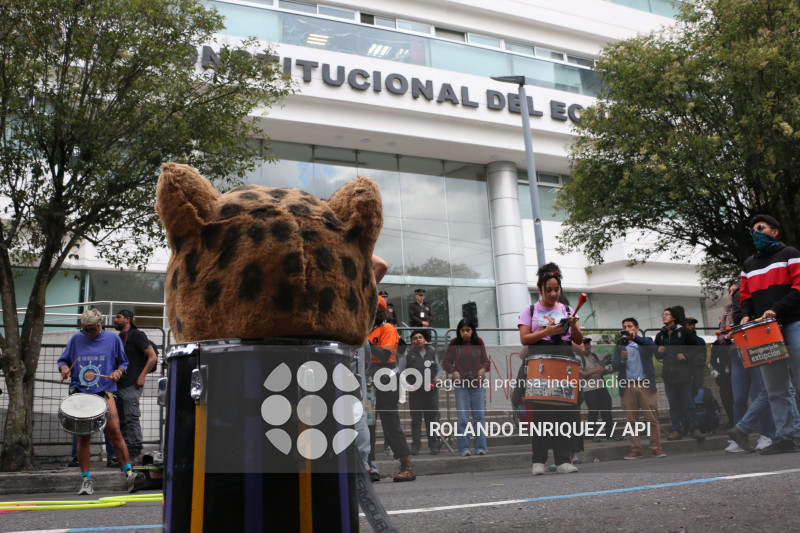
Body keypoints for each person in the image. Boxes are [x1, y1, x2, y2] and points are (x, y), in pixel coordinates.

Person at [729, 214, 800, 454]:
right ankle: (785, 437)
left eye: (760, 228)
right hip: (764, 331)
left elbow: (799, 287)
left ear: (775, 231)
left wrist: (777, 309)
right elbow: (745, 296)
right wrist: (745, 316)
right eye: (753, 230)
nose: (756, 233)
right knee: (775, 387)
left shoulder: (791, 253)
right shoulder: (748, 264)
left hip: (793, 323)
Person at [57, 309, 145, 495]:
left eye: (92, 330)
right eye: (85, 330)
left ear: (100, 325)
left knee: (115, 432)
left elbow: (123, 363)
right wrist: (64, 369)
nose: (88, 333)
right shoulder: (76, 339)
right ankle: (86, 480)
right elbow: (63, 361)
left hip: (104, 392)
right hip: (80, 393)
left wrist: (118, 372)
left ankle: (129, 474)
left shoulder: (112, 339)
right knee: (83, 437)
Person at [517, 262, 583, 474]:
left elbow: (579, 340)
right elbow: (524, 338)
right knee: (542, 414)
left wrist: (572, 326)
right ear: (540, 289)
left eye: (556, 289)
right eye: (549, 290)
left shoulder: (567, 309)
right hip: (539, 362)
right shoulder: (530, 310)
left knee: (564, 413)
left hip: (563, 361)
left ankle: (563, 460)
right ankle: (538, 461)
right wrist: (547, 331)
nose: (553, 294)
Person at [367, 296, 416, 481]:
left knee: (390, 422)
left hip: (386, 377)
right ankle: (370, 467)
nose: (375, 312)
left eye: (379, 309)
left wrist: (366, 342)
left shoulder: (388, 328)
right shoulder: (369, 330)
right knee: (368, 423)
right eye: (372, 308)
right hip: (369, 379)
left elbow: (384, 354)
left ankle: (407, 465)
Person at [613, 318, 666, 459]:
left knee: (652, 418)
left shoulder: (644, 341)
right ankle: (635, 449)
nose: (627, 329)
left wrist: (635, 338)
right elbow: (615, 366)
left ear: (637, 328)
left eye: (630, 326)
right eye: (624, 327)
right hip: (628, 386)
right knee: (631, 420)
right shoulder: (619, 345)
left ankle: (656, 447)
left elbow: (655, 349)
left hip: (645, 385)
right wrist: (622, 359)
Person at [113, 309, 158, 464]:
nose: (114, 320)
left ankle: (135, 453)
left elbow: (152, 357)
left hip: (132, 384)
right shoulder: (121, 337)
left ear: (128, 319)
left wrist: (142, 375)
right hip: (120, 385)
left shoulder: (136, 335)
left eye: (118, 317)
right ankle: (126, 455)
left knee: (131, 418)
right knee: (122, 420)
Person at [655, 307, 705, 441]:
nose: (664, 317)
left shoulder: (683, 332)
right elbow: (656, 354)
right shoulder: (660, 334)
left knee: (688, 403)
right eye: (663, 314)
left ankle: (695, 429)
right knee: (673, 405)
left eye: (667, 314)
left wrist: (686, 356)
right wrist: (658, 351)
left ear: (674, 317)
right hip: (669, 376)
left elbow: (696, 349)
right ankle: (676, 430)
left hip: (684, 374)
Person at [443, 316, 490, 457]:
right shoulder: (454, 343)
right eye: (462, 330)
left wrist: (483, 369)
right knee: (463, 418)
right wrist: (453, 371)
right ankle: (464, 448)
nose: (465, 333)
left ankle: (481, 447)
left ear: (472, 330)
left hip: (477, 384)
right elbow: (446, 362)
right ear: (459, 331)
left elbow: (486, 362)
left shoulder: (479, 342)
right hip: (461, 385)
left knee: (479, 417)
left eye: (468, 330)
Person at [399, 330, 442, 455]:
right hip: (415, 393)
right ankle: (415, 446)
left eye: (420, 337)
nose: (418, 339)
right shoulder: (407, 355)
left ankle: (433, 445)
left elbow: (439, 369)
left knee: (431, 420)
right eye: (415, 338)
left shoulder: (432, 353)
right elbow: (401, 373)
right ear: (411, 342)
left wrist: (437, 379)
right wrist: (408, 386)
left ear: (425, 340)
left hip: (431, 392)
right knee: (416, 421)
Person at [710, 283, 738, 431]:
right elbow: (712, 362)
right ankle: (733, 421)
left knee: (740, 397)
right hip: (725, 375)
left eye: (735, 291)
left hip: (740, 366)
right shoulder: (717, 344)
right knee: (727, 398)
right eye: (730, 292)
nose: (732, 294)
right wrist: (719, 372)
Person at [578, 338, 616, 442]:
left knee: (607, 411)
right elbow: (580, 374)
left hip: (601, 386)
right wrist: (594, 370)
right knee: (593, 412)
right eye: (585, 347)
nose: (588, 349)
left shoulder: (595, 356)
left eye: (589, 347)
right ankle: (593, 435)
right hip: (589, 389)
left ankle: (610, 434)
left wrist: (606, 371)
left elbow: (601, 371)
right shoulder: (579, 357)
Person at [685, 317, 707, 394]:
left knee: (698, 391)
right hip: (685, 371)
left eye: (693, 324)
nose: (692, 326)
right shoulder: (681, 340)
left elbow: (703, 357)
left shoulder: (700, 341)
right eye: (689, 324)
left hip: (697, 370)